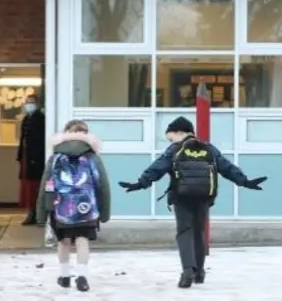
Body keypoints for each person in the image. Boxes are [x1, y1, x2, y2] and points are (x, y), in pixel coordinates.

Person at [119, 116, 267, 289]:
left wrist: (140, 183)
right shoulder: (209, 149)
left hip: (181, 197)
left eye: (171, 136)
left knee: (184, 232)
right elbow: (227, 167)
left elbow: (157, 168)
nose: (170, 140)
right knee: (199, 232)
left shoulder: (175, 149)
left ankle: (187, 271)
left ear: (180, 132)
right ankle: (200, 272)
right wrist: (245, 181)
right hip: (204, 197)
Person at [36, 120, 111, 292]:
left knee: (63, 241)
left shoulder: (55, 157)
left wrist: (41, 212)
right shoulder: (92, 157)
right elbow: (103, 185)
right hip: (87, 207)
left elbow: (46, 184)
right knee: (82, 240)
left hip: (61, 207)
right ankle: (82, 275)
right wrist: (104, 211)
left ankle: (64, 276)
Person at [17, 94, 46, 225]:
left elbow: (40, 141)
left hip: (36, 159)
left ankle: (36, 213)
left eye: (32, 102)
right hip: (26, 157)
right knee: (27, 186)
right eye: (27, 102)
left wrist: (35, 157)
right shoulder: (26, 119)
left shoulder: (40, 119)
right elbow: (23, 139)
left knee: (35, 186)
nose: (29, 105)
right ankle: (30, 211)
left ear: (37, 104)